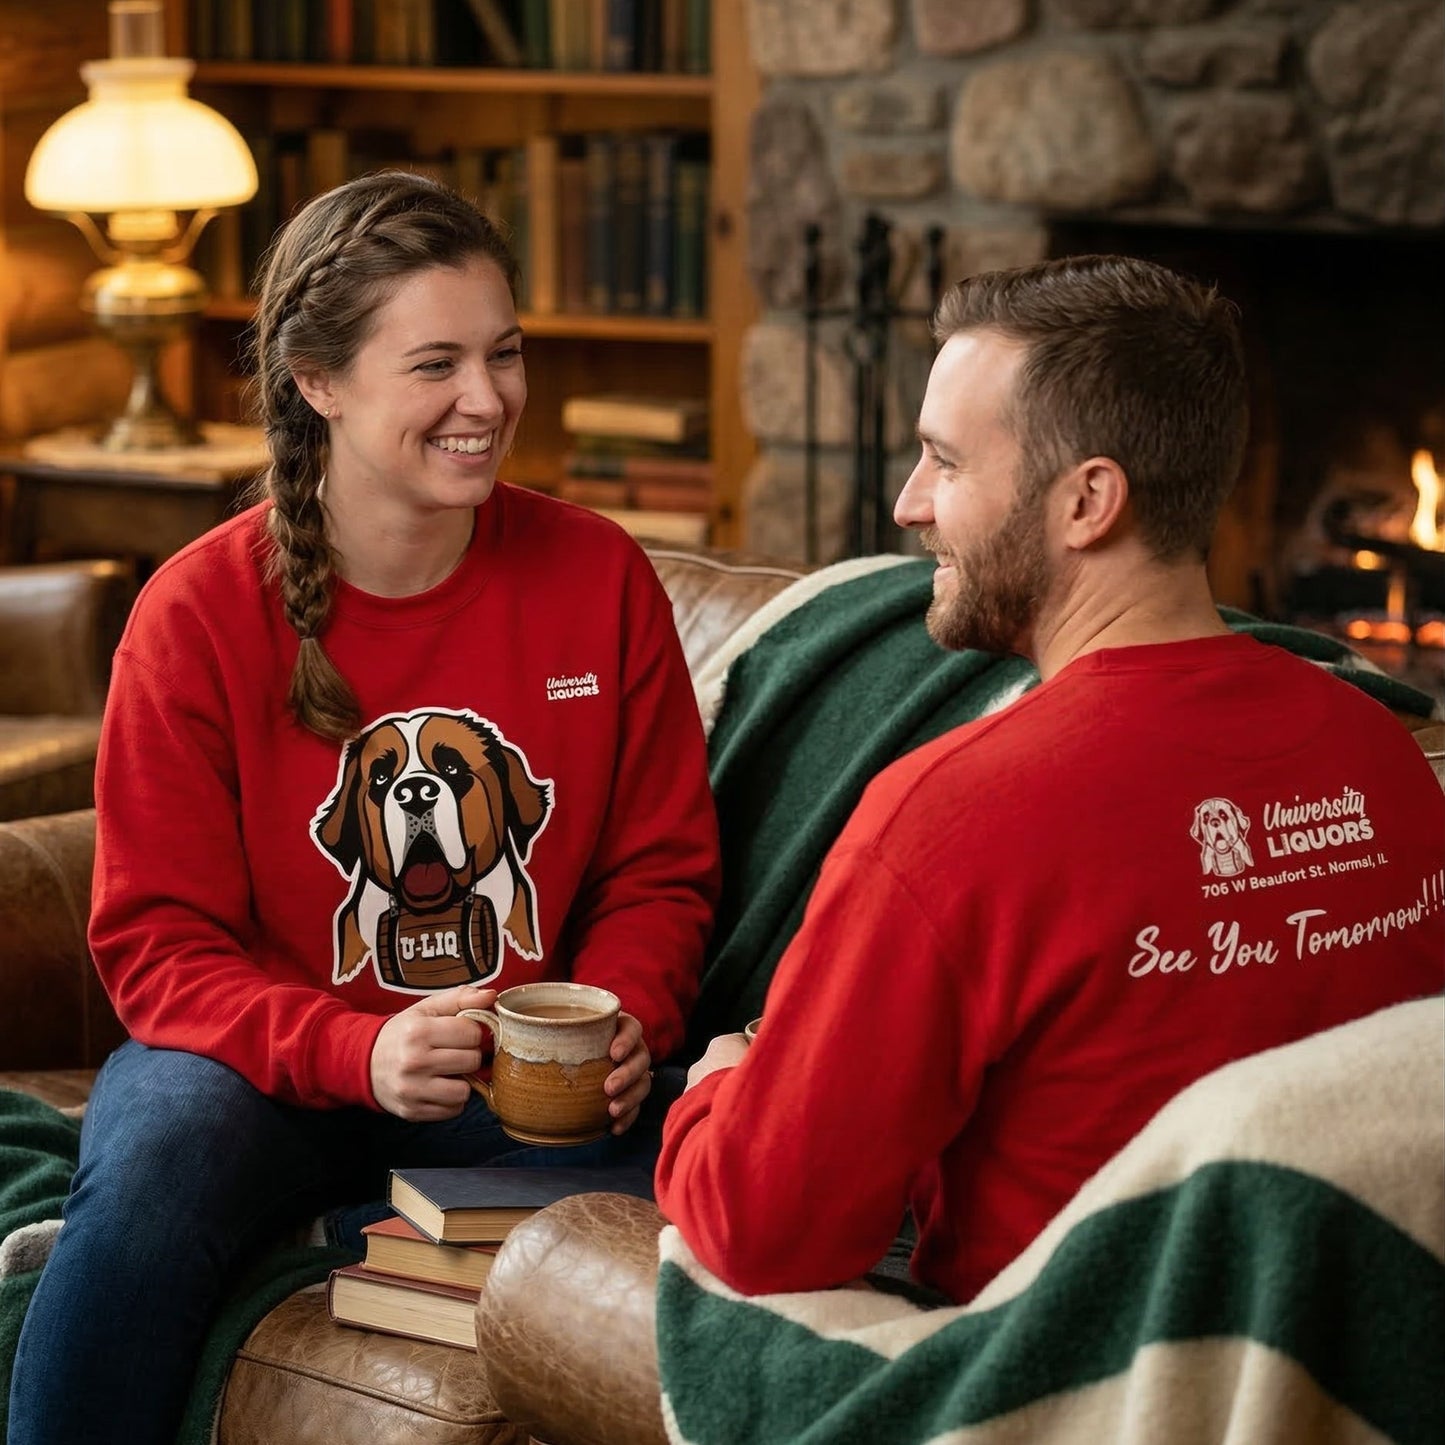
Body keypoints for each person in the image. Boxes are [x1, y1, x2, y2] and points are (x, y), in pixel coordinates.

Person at [9, 170, 719, 1444]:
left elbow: (659, 869)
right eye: (435, 362)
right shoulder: (197, 611)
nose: (488, 399)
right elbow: (157, 950)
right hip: (266, 1078)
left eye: (503, 353)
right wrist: (355, 1051)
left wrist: (628, 1015)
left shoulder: (598, 576)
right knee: (163, 1143)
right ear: (317, 381)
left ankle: (344, 1226)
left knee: (753, 1141)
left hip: (521, 1089)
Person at [654, 254, 1445, 1305]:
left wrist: (713, 1094)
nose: (906, 504)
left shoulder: (954, 811)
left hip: (1055, 1362)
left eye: (943, 461)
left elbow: (762, 1228)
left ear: (1086, 501)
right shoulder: (1381, 752)